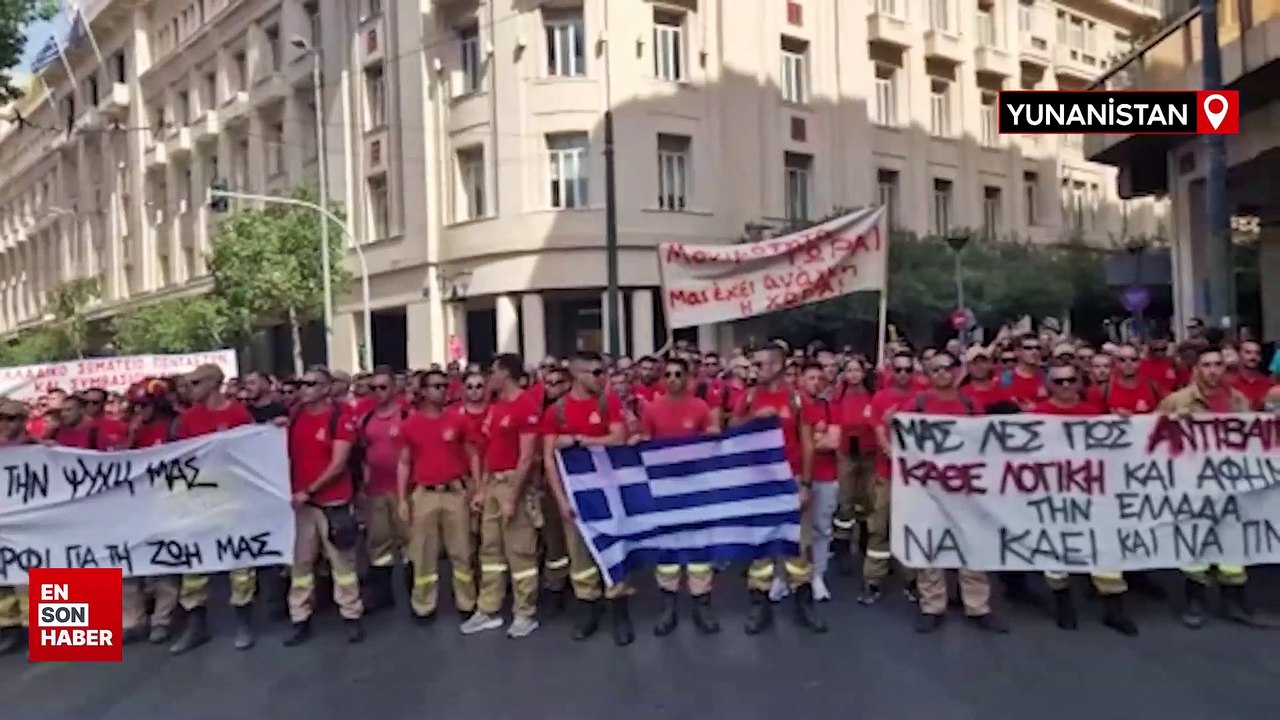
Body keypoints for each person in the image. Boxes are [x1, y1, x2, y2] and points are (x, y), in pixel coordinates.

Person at [1158, 346, 1276, 629]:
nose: (1213, 371)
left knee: (1233, 542)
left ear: (1224, 368)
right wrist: (1173, 424)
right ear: (1197, 369)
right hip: (1194, 484)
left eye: (1217, 365)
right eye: (1207, 365)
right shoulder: (1177, 400)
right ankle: (1195, 601)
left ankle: (1233, 601)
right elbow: (1150, 435)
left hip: (1231, 485)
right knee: (1197, 541)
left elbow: (1253, 439)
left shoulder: (1238, 400)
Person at [1032, 359, 1138, 636]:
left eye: (1071, 380)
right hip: (1054, 494)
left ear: (1080, 382)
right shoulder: (1038, 415)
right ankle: (1063, 603)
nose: (1066, 386)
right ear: (1049, 385)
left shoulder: (1093, 413)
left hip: (1093, 492)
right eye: (1059, 381)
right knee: (1057, 550)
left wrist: (1125, 425)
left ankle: (1114, 608)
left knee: (1105, 549)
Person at [731, 343, 827, 635]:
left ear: (776, 366)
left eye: (760, 364)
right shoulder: (748, 397)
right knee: (760, 547)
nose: (754, 370)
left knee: (797, 546)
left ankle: (803, 604)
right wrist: (753, 419)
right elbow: (732, 429)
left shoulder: (796, 399)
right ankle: (759, 606)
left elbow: (808, 444)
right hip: (757, 483)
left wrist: (806, 485)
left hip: (790, 481)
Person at [909, 353, 1008, 634]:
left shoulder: (970, 404)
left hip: (966, 487)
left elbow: (985, 441)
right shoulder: (919, 403)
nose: (942, 373)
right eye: (936, 369)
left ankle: (978, 606)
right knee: (931, 545)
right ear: (928, 374)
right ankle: (932, 605)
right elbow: (901, 435)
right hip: (928, 487)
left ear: (956, 371)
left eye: (947, 368)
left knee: (972, 543)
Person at [540, 350, 632, 644]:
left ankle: (619, 611)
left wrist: (582, 441)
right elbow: (548, 459)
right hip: (576, 497)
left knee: (614, 550)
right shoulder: (556, 411)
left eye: (602, 372)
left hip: (609, 494)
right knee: (580, 557)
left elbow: (619, 437)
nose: (602, 378)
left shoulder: (608, 402)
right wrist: (561, 500)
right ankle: (588, 608)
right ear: (577, 374)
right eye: (596, 372)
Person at [168, 364, 256, 654]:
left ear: (213, 383)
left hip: (232, 498)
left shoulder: (238, 414)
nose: (189, 389)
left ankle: (243, 622)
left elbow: (252, 452)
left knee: (239, 563)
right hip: (199, 498)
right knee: (195, 563)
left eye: (195, 383)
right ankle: (197, 625)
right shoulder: (188, 419)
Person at [635, 357, 721, 636]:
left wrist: (712, 434)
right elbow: (645, 441)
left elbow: (713, 441)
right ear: (663, 378)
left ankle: (701, 605)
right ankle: (668, 607)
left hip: (696, 487)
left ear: (687, 378)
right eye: (668, 374)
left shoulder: (700, 407)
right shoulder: (651, 409)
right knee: (667, 548)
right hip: (664, 488)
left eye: (678, 374)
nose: (673, 379)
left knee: (699, 547)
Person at [283, 367, 365, 645]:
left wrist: (310, 490)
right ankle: (300, 617)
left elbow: (338, 463)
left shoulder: (339, 417)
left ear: (326, 388)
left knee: (342, 564)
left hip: (333, 503)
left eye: (311, 384)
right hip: (302, 505)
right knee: (301, 565)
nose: (304, 388)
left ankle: (351, 615)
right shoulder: (295, 416)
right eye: (302, 383)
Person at [466, 353, 543, 639]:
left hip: (513, 484)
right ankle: (488, 608)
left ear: (506, 374)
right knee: (491, 550)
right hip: (494, 484)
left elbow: (526, 457)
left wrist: (513, 497)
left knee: (520, 550)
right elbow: (490, 450)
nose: (490, 377)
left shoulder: (526, 405)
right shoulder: (497, 407)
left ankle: (525, 613)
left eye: (493, 371)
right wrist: (482, 489)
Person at [398, 369, 479, 626]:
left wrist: (477, 489)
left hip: (455, 493)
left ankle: (467, 603)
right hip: (425, 494)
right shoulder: (410, 424)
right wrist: (402, 499)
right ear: (423, 391)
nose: (442, 390)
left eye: (444, 385)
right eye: (435, 386)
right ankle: (423, 605)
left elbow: (472, 455)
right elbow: (404, 462)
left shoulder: (458, 420)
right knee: (423, 554)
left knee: (462, 551)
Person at [121, 379, 181, 645]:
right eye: (134, 406)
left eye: (143, 406)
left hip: (165, 504)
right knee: (129, 563)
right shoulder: (130, 428)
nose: (138, 411)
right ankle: (132, 620)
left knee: (163, 564)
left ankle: (162, 619)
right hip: (133, 506)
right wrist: (131, 437)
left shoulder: (173, 426)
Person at [859, 351, 921, 605]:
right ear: (891, 372)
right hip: (886, 474)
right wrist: (891, 448)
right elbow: (878, 433)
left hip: (915, 477)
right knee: (879, 529)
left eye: (908, 369)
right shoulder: (881, 398)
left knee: (911, 528)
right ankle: (873, 581)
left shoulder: (922, 396)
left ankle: (912, 581)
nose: (903, 374)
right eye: (899, 369)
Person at [357, 369, 410, 614]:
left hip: (402, 490)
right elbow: (363, 453)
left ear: (394, 388)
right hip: (376, 490)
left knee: (409, 540)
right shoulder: (366, 419)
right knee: (378, 543)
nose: (378, 392)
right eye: (373, 388)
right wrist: (364, 486)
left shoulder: (407, 415)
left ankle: (414, 592)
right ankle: (382, 594)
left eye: (383, 387)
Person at [799, 362, 841, 602]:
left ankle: (818, 576)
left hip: (825, 475)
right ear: (801, 381)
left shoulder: (829, 407)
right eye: (811, 378)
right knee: (793, 529)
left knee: (821, 528)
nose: (815, 383)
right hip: (797, 475)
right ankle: (785, 577)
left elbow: (833, 442)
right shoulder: (794, 407)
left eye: (819, 379)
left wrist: (808, 441)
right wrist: (816, 437)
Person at [536, 365, 572, 613]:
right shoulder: (540, 411)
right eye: (547, 383)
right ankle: (556, 587)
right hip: (549, 483)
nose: (550, 388)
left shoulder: (575, 409)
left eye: (556, 382)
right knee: (553, 540)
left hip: (578, 484)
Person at [834, 358, 874, 573]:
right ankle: (842, 546)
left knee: (868, 499)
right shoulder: (838, 395)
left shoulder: (872, 394)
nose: (854, 374)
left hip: (869, 454)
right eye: (849, 370)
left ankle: (866, 543)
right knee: (845, 501)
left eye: (857, 370)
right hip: (846, 453)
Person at [0, 399, 33, 655]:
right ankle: (10, 627)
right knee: (4, 577)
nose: (4, 424)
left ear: (23, 421)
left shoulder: (38, 448)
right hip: (5, 520)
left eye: (10, 418)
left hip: (33, 519)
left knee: (39, 571)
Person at [1229, 341, 1275, 410]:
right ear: (1238, 355)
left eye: (1257, 353)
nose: (1253, 357)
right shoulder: (1228, 382)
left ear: (1260, 357)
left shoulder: (1270, 384)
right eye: (1248, 352)